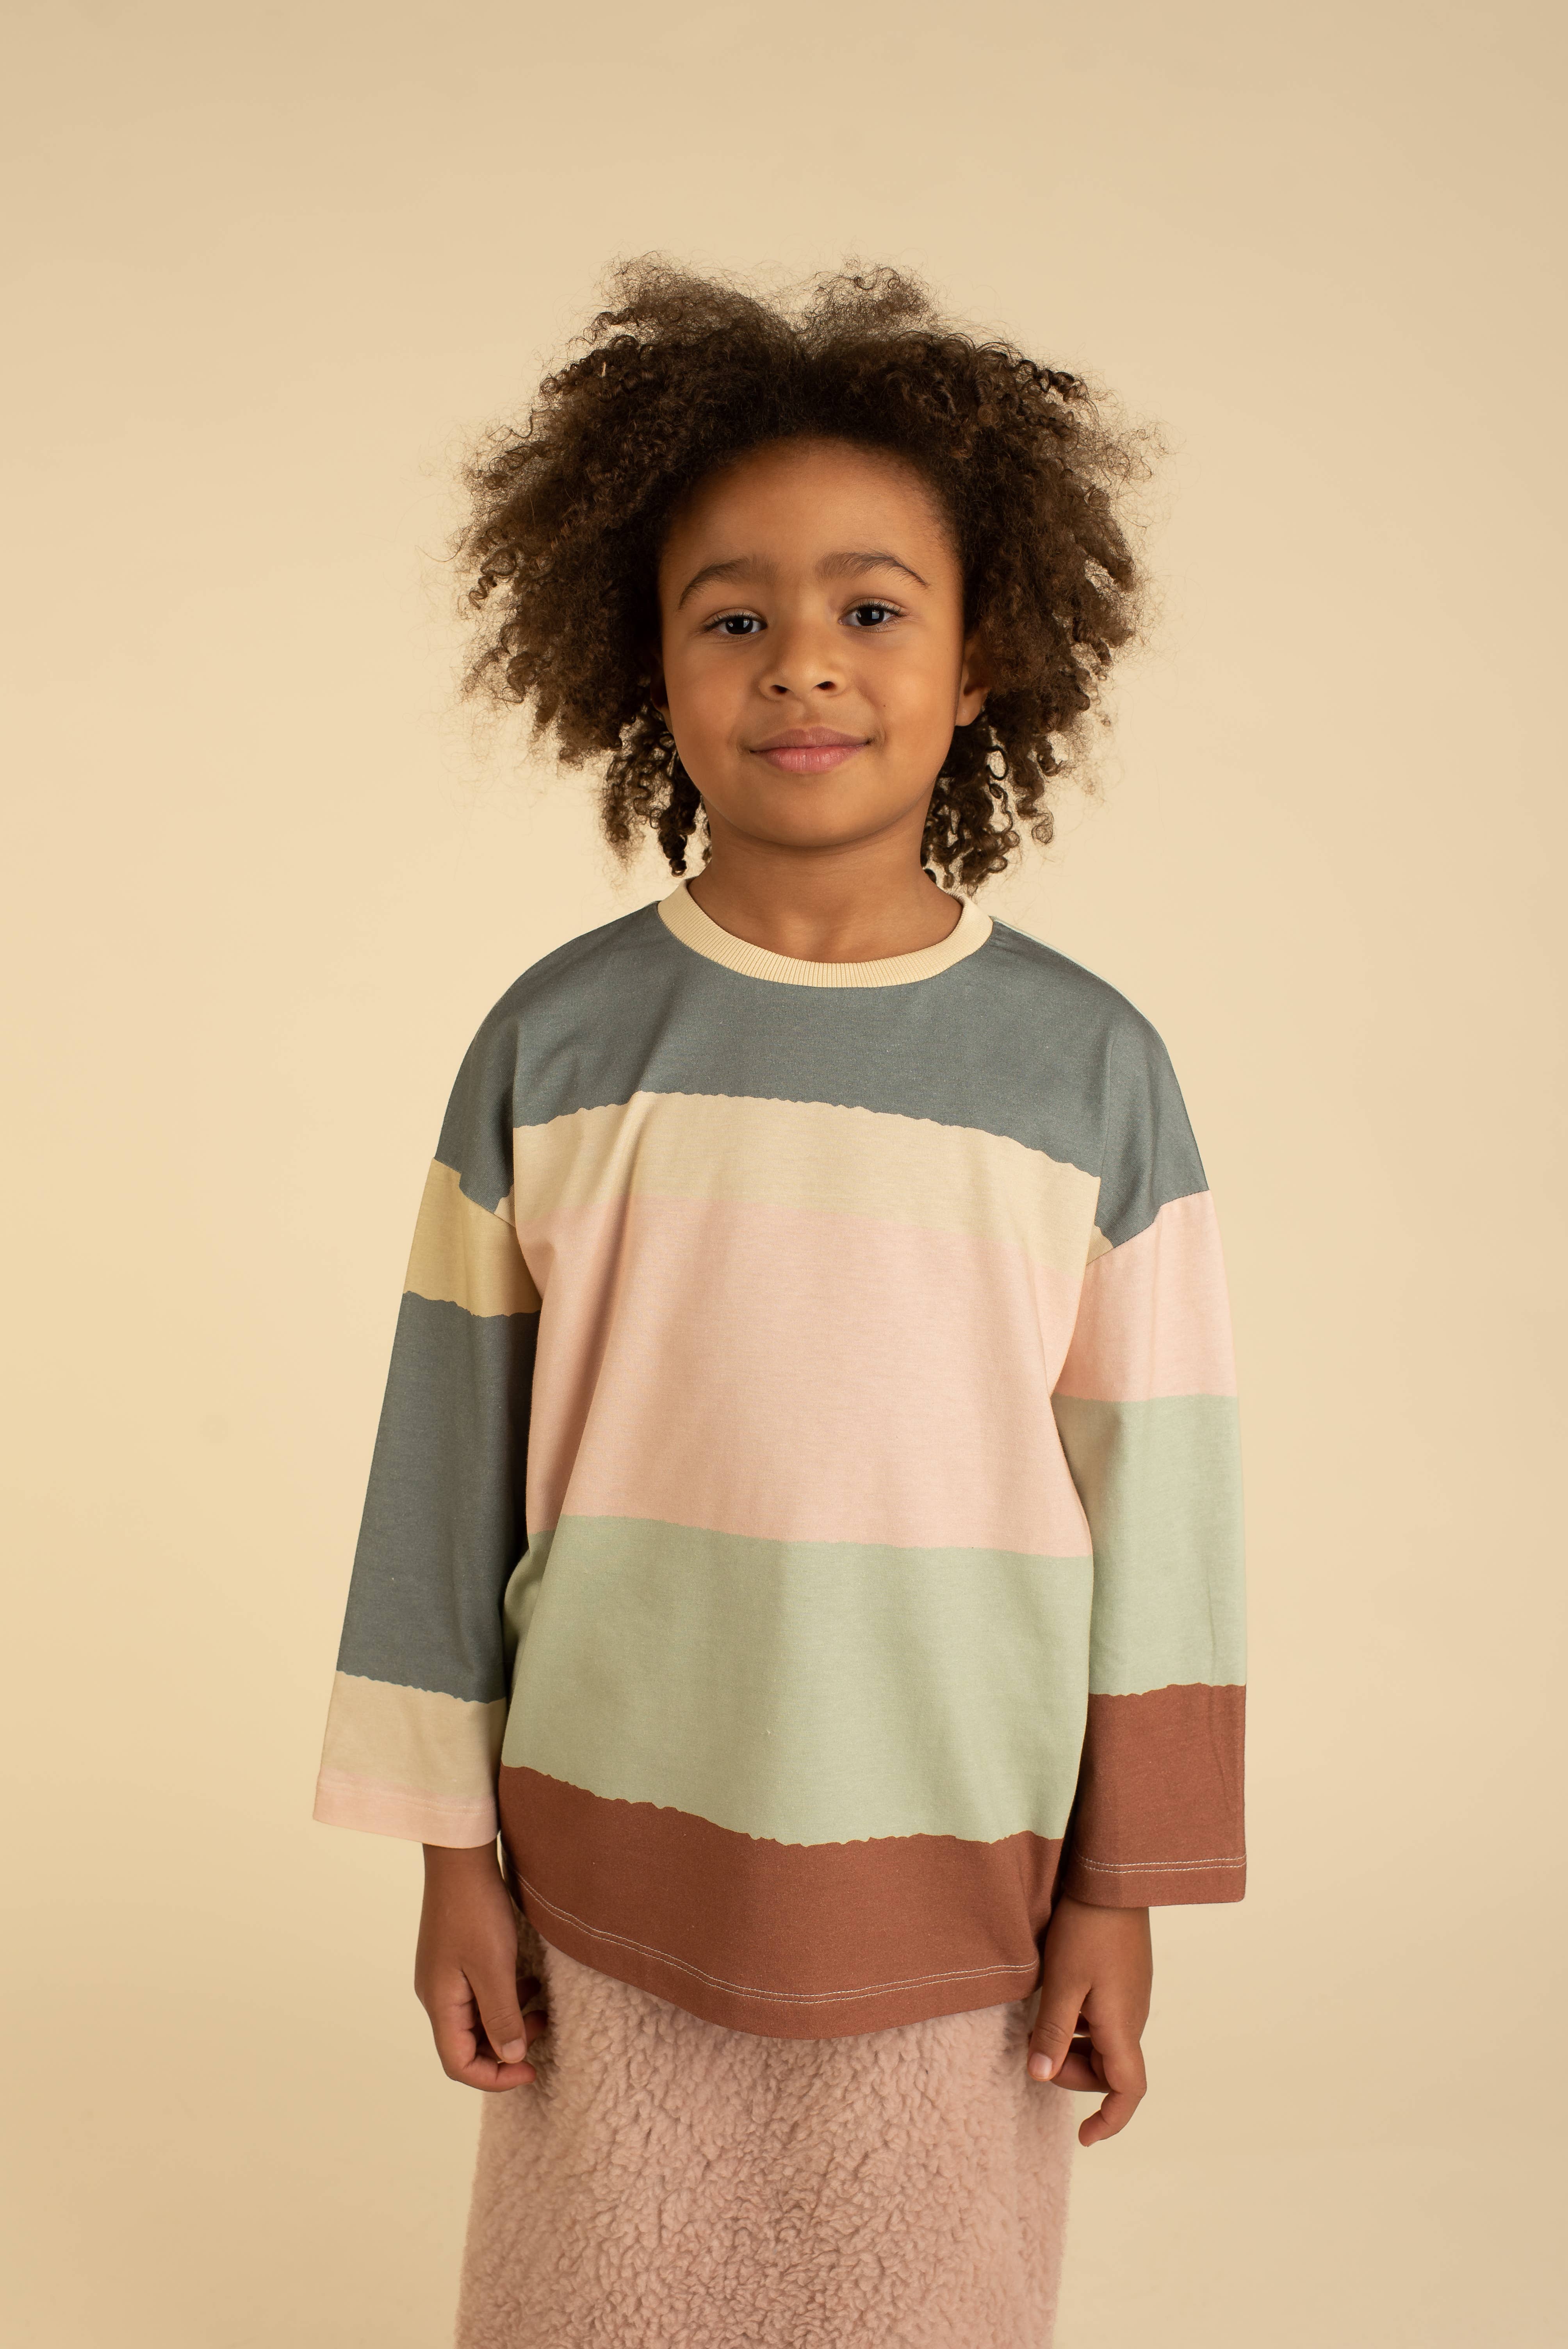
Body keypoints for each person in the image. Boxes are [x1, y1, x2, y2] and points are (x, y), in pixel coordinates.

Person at [314, 260, 1246, 2349]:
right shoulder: (556, 1046)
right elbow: (443, 1466)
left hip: (965, 1861)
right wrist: (448, 1856)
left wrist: (1124, 1887)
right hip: (604, 1862)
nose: (802, 661)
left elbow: (1166, 1502)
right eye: (732, 616)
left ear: (985, 656)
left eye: (872, 609)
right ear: (643, 663)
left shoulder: (1091, 1072)